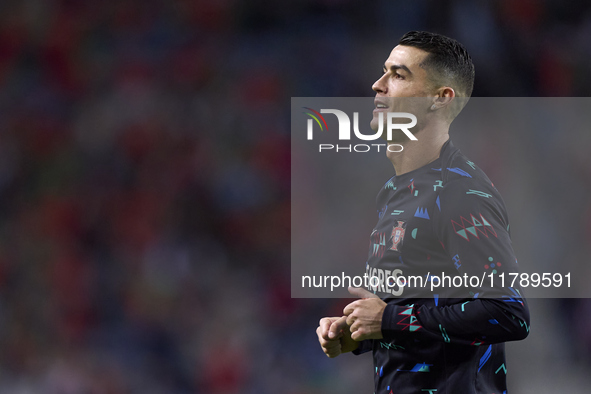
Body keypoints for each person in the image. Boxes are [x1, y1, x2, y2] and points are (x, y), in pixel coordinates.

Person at [316, 31, 530, 394]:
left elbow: (507, 312)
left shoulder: (460, 192)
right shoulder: (394, 193)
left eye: (398, 75)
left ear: (440, 98)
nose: (378, 84)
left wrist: (387, 318)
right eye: (384, 72)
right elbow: (426, 313)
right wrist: (361, 335)